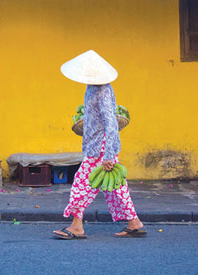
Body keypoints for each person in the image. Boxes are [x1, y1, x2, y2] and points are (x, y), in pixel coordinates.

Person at [53, 50, 146, 239]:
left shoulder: (102, 91)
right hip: (97, 144)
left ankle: (76, 226)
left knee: (81, 183)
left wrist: (109, 155)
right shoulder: (92, 87)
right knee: (116, 187)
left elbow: (111, 124)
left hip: (101, 147)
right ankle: (134, 222)